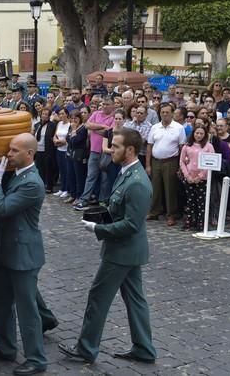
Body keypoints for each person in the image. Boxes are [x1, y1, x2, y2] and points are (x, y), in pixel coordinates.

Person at [59, 128, 157, 365]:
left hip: (122, 251)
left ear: (130, 150)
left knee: (98, 297)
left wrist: (97, 229)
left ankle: (86, 348)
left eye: (115, 146)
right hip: (127, 251)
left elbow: (132, 225)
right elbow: (117, 208)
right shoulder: (127, 173)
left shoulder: (137, 182)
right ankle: (144, 348)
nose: (110, 149)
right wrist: (100, 216)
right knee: (135, 299)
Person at [0, 133, 50, 376]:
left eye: (14, 151)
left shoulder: (32, 182)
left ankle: (36, 358)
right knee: (0, 303)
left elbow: (2, 208)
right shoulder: (19, 175)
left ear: (29, 154)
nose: (9, 154)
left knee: (26, 309)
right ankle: (5, 346)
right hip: (5, 249)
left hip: (23, 254)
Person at [146, 103, 186, 226]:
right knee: (155, 187)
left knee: (170, 189)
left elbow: (182, 148)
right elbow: (149, 146)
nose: (164, 114)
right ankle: (154, 211)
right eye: (162, 112)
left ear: (172, 113)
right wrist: (148, 164)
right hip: (156, 161)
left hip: (171, 161)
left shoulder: (178, 128)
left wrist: (181, 165)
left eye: (167, 112)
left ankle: (171, 214)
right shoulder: (155, 127)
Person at [179, 126, 214, 230]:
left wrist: (200, 176)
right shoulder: (187, 146)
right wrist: (187, 176)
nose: (198, 135)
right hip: (189, 177)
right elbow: (182, 162)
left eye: (201, 133)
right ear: (193, 134)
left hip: (202, 179)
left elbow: (210, 163)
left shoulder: (208, 146)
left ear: (205, 135)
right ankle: (189, 221)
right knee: (190, 201)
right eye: (197, 133)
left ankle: (200, 223)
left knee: (201, 202)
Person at [66, 110, 88, 204]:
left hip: (79, 155)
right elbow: (68, 139)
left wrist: (74, 132)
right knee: (71, 175)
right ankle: (73, 194)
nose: (74, 120)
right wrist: (72, 136)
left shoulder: (83, 128)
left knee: (79, 176)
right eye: (72, 118)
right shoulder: (70, 127)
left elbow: (76, 141)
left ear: (80, 118)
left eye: (76, 118)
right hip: (70, 154)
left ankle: (79, 196)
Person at [34, 108, 56, 193]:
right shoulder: (37, 125)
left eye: (46, 114)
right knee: (39, 169)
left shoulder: (52, 125)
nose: (44, 116)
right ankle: (41, 185)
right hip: (38, 150)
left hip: (48, 150)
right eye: (43, 114)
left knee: (48, 169)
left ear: (49, 116)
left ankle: (49, 187)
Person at [52, 107, 71, 199]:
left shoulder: (70, 124)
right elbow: (55, 135)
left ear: (67, 114)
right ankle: (62, 188)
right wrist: (55, 141)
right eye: (60, 114)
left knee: (67, 171)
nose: (61, 115)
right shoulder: (59, 123)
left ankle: (67, 189)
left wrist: (59, 142)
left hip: (66, 150)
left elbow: (68, 137)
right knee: (61, 170)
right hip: (59, 150)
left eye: (63, 113)